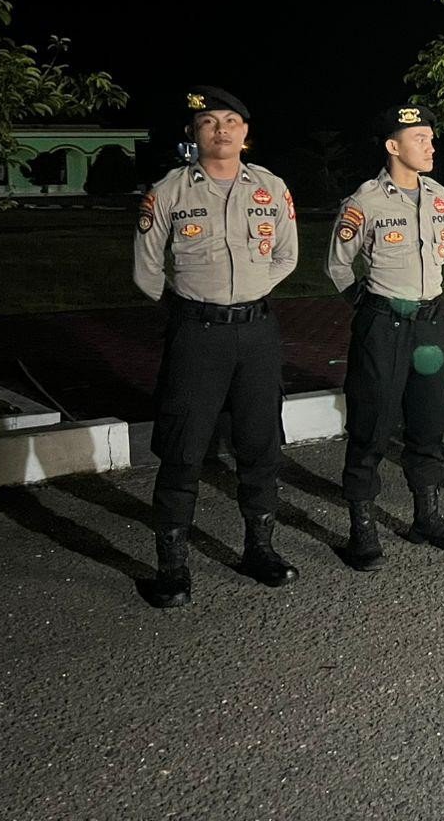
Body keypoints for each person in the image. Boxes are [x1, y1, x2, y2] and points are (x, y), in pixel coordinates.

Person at [133, 86, 300, 608]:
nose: (221, 130)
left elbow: (287, 255)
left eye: (231, 121)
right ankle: (172, 568)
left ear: (245, 132)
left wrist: (247, 293)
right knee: (183, 449)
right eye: (209, 122)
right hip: (196, 335)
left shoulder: (271, 187)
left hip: (256, 333)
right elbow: (146, 270)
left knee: (260, 444)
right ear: (193, 133)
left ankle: (259, 549)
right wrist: (192, 304)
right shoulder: (169, 192)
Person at [326, 103, 444, 571]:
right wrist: (369, 305)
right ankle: (362, 529)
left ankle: (426, 517)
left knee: (428, 421)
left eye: (431, 138)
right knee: (371, 424)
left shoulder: (440, 197)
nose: (431, 146)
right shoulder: (365, 201)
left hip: (428, 325)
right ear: (393, 146)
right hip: (383, 326)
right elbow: (337, 265)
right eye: (419, 139)